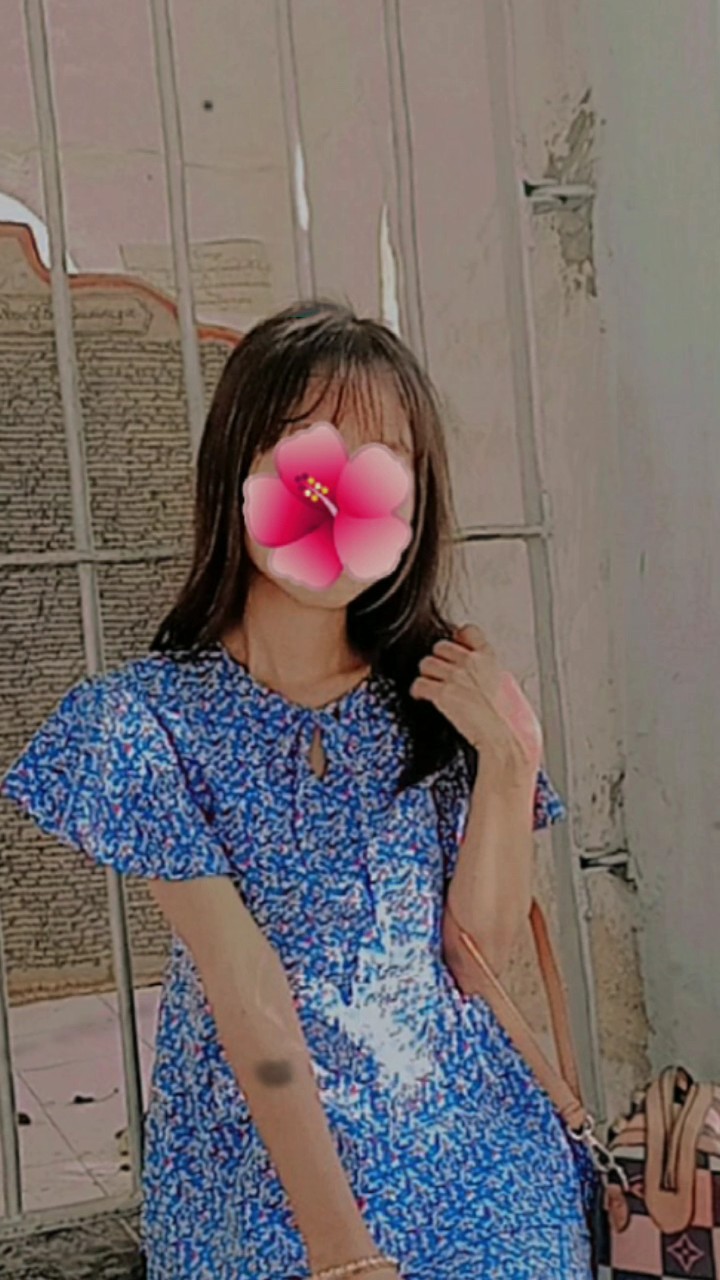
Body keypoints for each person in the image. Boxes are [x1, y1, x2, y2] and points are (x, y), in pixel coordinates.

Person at [0, 300, 596, 1279]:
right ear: (236, 470)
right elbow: (246, 989)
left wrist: (510, 758)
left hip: (470, 1149)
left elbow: (476, 960)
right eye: (312, 454)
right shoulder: (142, 723)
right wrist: (341, 1249)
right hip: (261, 1171)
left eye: (383, 463)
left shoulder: (440, 700)